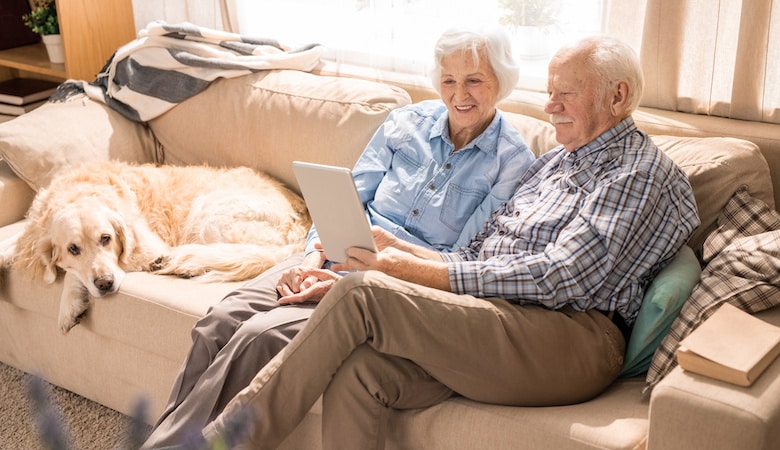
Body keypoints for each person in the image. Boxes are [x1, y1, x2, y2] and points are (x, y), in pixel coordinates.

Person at [198, 35, 701, 449]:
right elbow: (476, 253)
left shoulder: (640, 172)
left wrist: (407, 271)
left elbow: (562, 275)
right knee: (362, 370)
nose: (550, 107)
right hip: (495, 314)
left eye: (566, 93)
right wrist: (393, 250)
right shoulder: (555, 162)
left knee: (361, 294)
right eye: (550, 92)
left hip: (570, 336)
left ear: (617, 97)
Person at [142, 25, 535, 448]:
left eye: (474, 79)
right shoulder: (405, 123)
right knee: (218, 321)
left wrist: (371, 267)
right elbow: (345, 197)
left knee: (261, 337)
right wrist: (309, 261)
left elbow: (460, 262)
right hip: (326, 252)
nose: (460, 94)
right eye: (449, 80)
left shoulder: (513, 162)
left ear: (502, 81)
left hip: (387, 286)